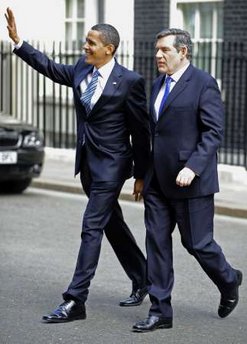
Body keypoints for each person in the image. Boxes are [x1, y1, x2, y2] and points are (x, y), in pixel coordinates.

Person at [5, 7, 150, 323]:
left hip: (113, 166)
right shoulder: (82, 70)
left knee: (91, 226)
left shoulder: (130, 81)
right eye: (86, 42)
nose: (85, 47)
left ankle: (75, 300)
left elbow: (141, 131)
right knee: (111, 223)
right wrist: (19, 42)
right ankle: (143, 276)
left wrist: (141, 174)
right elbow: (50, 67)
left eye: (91, 43)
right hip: (87, 164)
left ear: (108, 49)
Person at [132, 28, 243, 333]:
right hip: (157, 180)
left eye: (165, 50)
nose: (158, 55)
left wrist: (193, 167)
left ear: (183, 52)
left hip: (190, 180)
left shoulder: (203, 83)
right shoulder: (157, 84)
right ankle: (160, 310)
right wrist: (141, 175)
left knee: (197, 243)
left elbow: (213, 132)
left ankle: (229, 279)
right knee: (156, 242)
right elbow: (151, 133)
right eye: (157, 49)